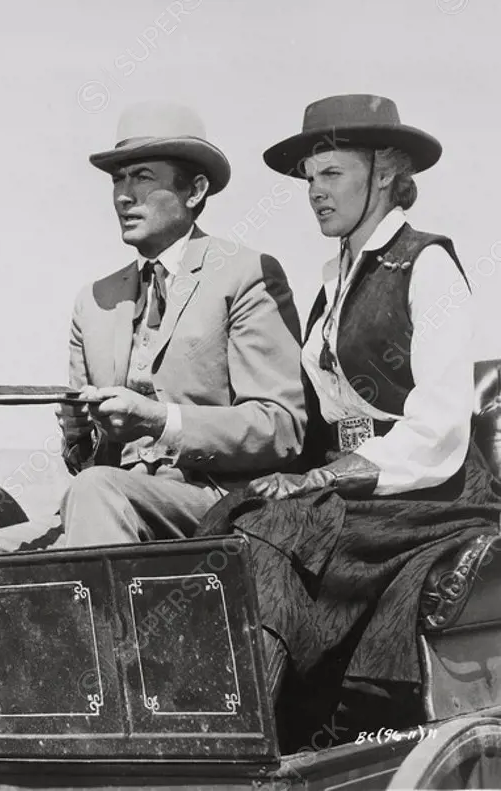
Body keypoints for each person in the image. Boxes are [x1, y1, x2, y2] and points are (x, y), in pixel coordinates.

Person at [197, 94, 501, 747]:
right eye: (310, 178)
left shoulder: (429, 265)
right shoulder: (335, 277)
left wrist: (319, 480)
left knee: (276, 530)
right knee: (235, 517)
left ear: (385, 171)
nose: (314, 192)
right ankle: (221, 718)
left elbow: (439, 429)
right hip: (356, 492)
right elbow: (316, 419)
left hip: (430, 493)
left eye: (331, 173)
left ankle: (253, 737)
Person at [0, 102, 306, 557]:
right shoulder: (94, 300)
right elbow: (86, 464)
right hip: (107, 506)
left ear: (194, 191)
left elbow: (282, 427)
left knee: (98, 492)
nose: (122, 195)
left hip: (216, 506)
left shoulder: (245, 274)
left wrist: (158, 421)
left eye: (142, 177)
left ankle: (109, 630)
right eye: (118, 179)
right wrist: (81, 434)